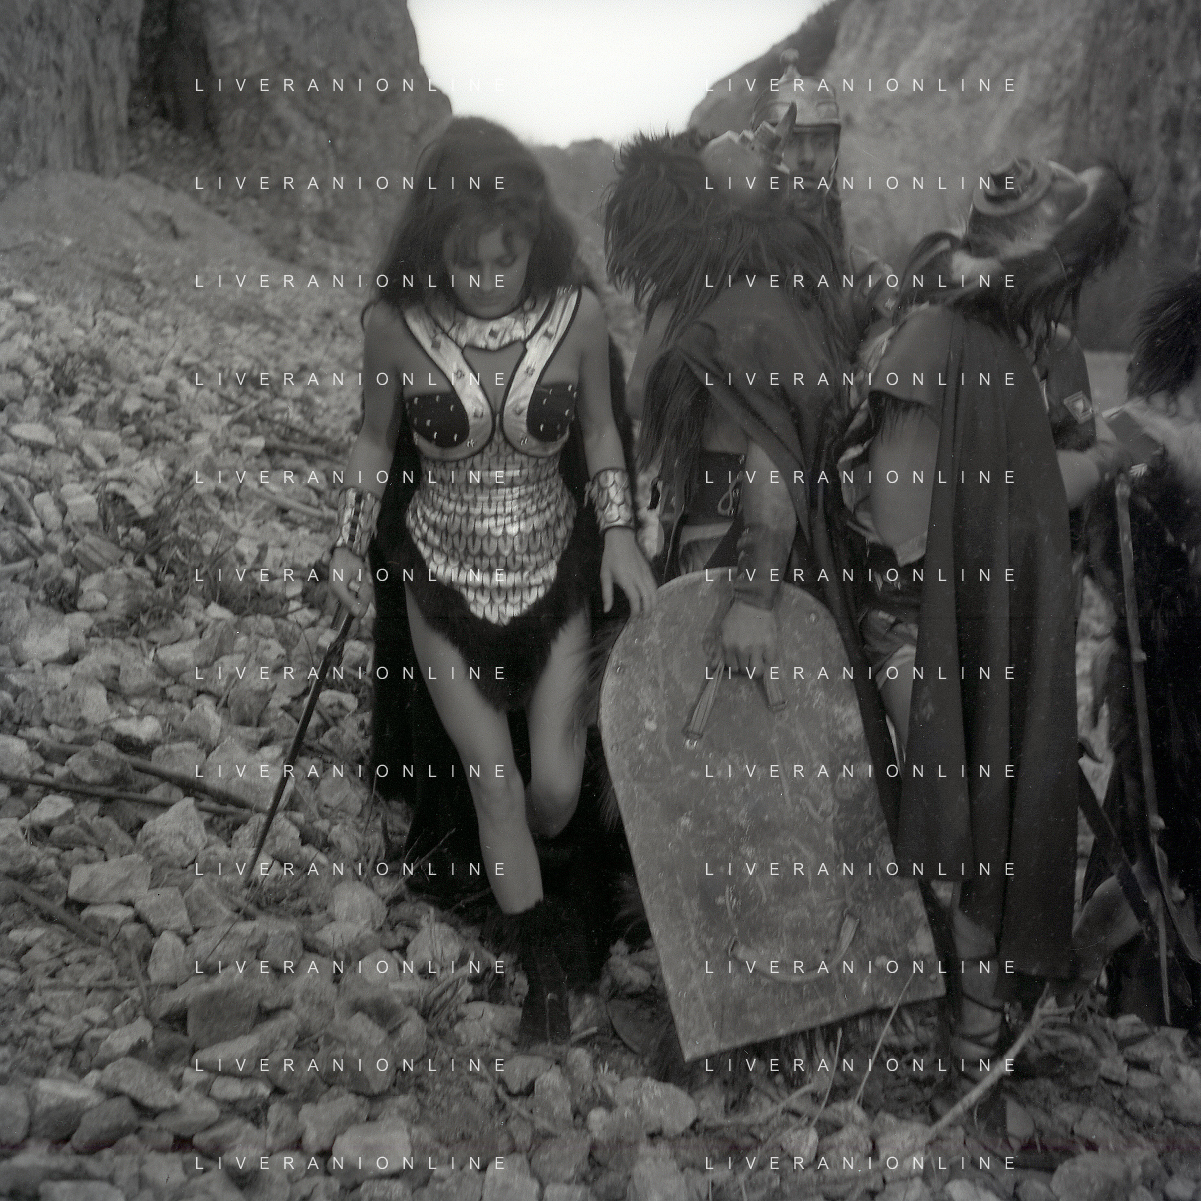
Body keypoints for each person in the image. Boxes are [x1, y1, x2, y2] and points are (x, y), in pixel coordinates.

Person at [328, 117, 657, 1046]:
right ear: (434, 245)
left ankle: (559, 881)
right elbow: (373, 443)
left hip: (555, 573)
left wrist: (620, 534)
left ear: (530, 238)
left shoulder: (575, 316)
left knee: (553, 788)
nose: (484, 277)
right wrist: (347, 546)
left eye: (502, 258)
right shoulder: (394, 327)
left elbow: (599, 430)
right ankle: (542, 971)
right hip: (439, 579)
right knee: (496, 786)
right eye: (465, 260)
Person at [835, 157, 1134, 1075]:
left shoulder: (1008, 341)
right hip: (919, 627)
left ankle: (982, 1019)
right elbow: (900, 525)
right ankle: (970, 1040)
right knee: (966, 827)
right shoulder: (933, 339)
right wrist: (1069, 476)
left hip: (981, 621)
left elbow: (1014, 481)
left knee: (1003, 817)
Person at [605, 114, 899, 815]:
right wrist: (754, 594)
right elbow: (680, 409)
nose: (760, 135)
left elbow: (769, 446)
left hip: (743, 552)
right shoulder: (746, 300)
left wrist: (755, 594)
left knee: (745, 742)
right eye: (737, 143)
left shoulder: (748, 301)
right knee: (739, 741)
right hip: (733, 552)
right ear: (711, 200)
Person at [624, 50, 896, 576]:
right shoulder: (707, 266)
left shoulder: (861, 275)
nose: (808, 158)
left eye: (822, 141)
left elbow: (890, 388)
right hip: (711, 517)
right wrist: (732, 393)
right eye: (794, 141)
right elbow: (641, 392)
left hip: (826, 521)